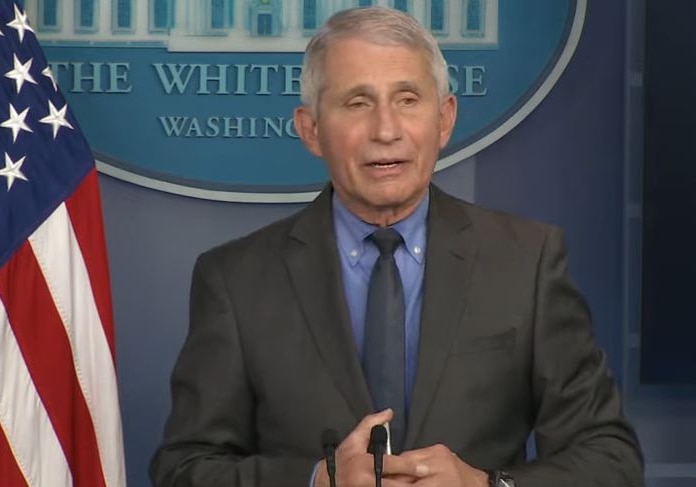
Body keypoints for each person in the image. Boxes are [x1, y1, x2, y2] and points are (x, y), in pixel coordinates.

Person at [150, 6, 643, 487]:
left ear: (445, 119)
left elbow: (610, 460)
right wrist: (315, 480)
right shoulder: (234, 279)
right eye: (357, 103)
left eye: (407, 99)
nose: (386, 131)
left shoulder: (526, 261)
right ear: (311, 129)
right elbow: (183, 467)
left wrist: (488, 485)